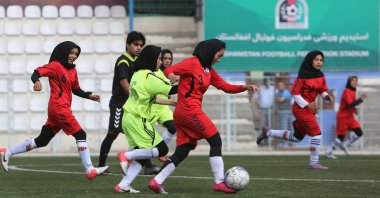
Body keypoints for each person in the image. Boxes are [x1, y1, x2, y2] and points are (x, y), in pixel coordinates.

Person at [148, 39, 260, 194]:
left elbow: (225, 87)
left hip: (184, 112)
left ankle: (156, 181)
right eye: (219, 55)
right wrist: (171, 75)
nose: (220, 58)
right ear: (210, 51)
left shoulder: (209, 70)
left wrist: (244, 87)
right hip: (189, 110)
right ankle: (220, 181)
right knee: (215, 140)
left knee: (183, 150)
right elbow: (168, 70)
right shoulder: (193, 63)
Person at [0, 41, 108, 179]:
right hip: (59, 108)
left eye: (76, 54)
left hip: (60, 109)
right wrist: (37, 81)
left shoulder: (73, 70)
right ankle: (89, 169)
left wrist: (89, 95)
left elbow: (75, 89)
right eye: (71, 52)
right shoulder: (56, 66)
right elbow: (36, 72)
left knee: (42, 141)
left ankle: (7, 152)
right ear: (64, 52)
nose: (74, 56)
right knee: (81, 135)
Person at [114, 45, 177, 193]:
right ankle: (125, 155)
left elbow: (153, 98)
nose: (160, 63)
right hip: (137, 119)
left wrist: (173, 102)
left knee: (141, 157)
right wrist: (191, 82)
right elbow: (172, 89)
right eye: (158, 59)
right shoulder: (149, 75)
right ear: (151, 59)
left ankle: (123, 185)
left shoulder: (138, 74)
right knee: (162, 149)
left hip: (128, 118)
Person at [256, 50, 334, 170]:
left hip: (310, 109)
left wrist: (326, 96)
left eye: (321, 60)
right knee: (316, 134)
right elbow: (295, 93)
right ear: (310, 60)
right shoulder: (302, 75)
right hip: (301, 109)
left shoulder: (320, 75)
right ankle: (314, 163)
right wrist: (307, 104)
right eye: (316, 60)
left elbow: (322, 90)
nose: (319, 62)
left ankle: (268, 132)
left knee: (297, 137)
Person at [97, 31, 160, 175]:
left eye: (141, 45)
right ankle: (101, 165)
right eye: (136, 44)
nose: (138, 47)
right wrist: (136, 97)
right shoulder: (123, 61)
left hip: (130, 106)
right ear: (127, 45)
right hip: (120, 103)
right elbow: (124, 82)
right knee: (112, 133)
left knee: (138, 134)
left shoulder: (136, 62)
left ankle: (148, 166)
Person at [146, 49, 176, 165]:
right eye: (165, 58)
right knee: (145, 138)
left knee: (173, 127)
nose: (167, 61)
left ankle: (161, 150)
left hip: (164, 108)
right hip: (153, 106)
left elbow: (168, 91)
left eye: (170, 59)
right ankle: (140, 161)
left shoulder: (170, 74)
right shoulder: (155, 72)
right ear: (160, 60)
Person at [325, 76, 367, 159]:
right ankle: (329, 152)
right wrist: (360, 99)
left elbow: (352, 104)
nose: (355, 82)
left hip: (350, 117)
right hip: (343, 116)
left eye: (356, 80)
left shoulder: (352, 91)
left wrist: (355, 110)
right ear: (349, 82)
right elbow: (350, 104)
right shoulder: (347, 91)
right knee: (341, 137)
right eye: (353, 80)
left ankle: (346, 144)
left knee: (359, 132)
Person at [275, 81, 292, 148]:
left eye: (281, 85)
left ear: (284, 86)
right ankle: (282, 142)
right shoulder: (279, 92)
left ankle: (286, 143)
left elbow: (281, 100)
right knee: (280, 128)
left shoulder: (286, 92)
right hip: (279, 112)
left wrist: (277, 98)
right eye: (279, 85)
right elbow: (277, 100)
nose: (280, 86)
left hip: (285, 112)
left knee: (284, 128)